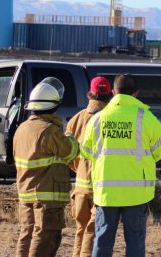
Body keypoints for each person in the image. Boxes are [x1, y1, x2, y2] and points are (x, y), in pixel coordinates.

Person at [81, 73, 161, 257]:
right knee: (135, 242)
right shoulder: (146, 118)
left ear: (113, 92)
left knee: (103, 240)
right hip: (136, 194)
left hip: (106, 193)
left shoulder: (98, 118)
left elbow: (86, 152)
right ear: (135, 94)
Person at [13, 77, 79, 257]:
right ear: (54, 105)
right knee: (45, 239)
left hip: (25, 193)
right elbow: (71, 152)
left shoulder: (22, 129)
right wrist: (71, 136)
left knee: (27, 235)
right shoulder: (50, 131)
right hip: (47, 198)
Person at [66, 76, 112, 257]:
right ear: (109, 94)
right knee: (92, 231)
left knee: (80, 229)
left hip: (81, 185)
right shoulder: (110, 118)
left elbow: (68, 154)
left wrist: (80, 169)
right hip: (101, 187)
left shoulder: (76, 120)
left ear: (90, 95)